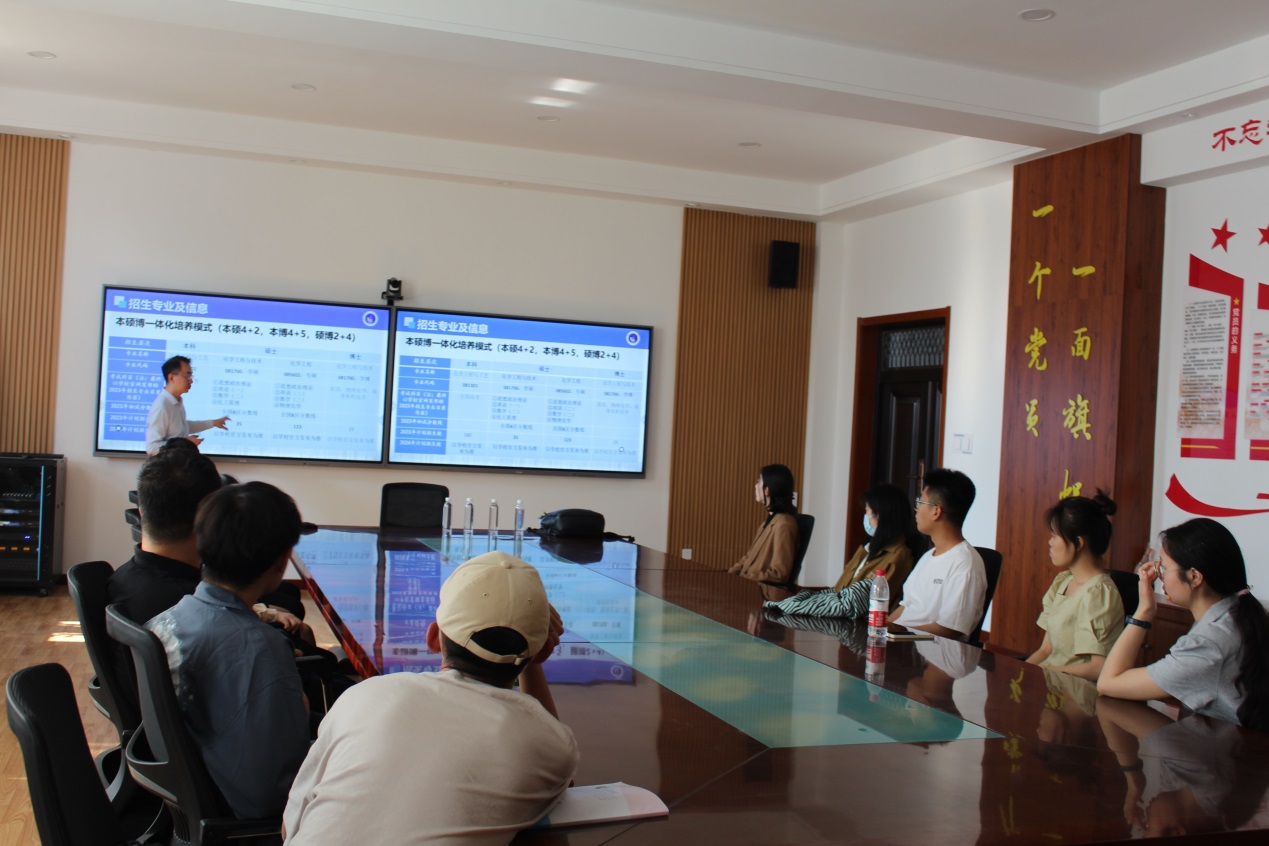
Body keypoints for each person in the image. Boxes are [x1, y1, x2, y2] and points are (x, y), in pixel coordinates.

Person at [282, 551, 579, 845]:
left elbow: (288, 829)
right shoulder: (550, 745)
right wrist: (532, 663)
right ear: (543, 652)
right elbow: (559, 780)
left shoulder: (363, 695)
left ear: (434, 637)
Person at [147, 482, 311, 819]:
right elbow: (275, 794)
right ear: (281, 562)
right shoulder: (262, 650)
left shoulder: (166, 619)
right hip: (248, 820)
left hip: (187, 796)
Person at [1098, 518, 1269, 731]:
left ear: (1194, 576)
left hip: (1228, 749)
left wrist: (1143, 612)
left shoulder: (1208, 643)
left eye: (1163, 567)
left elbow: (1108, 682)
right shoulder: (1236, 612)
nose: (1158, 575)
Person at [763, 483, 922, 617]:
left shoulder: (897, 556)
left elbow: (857, 604)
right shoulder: (867, 548)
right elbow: (838, 590)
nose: (865, 517)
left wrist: (797, 606)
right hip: (838, 617)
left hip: (859, 625)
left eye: (867, 511)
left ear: (881, 516)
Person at [1025, 492, 1124, 680]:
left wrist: (1045, 672)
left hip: (1076, 689)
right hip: (1050, 682)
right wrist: (1020, 672)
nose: (1050, 543)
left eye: (1055, 535)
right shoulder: (1063, 582)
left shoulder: (1099, 592)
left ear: (1078, 543)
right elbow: (1046, 650)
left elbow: (1098, 668)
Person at [888, 468, 986, 642]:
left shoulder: (965, 564)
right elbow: (907, 606)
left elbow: (948, 630)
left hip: (929, 651)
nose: (916, 509)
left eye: (920, 502)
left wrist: (899, 633)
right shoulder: (928, 557)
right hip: (900, 643)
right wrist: (881, 629)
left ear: (936, 511)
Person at [728, 464, 799, 583]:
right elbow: (748, 558)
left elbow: (779, 573)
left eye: (758, 481)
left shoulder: (784, 525)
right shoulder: (768, 522)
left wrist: (744, 578)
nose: (755, 486)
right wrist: (730, 574)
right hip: (747, 584)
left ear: (767, 490)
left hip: (758, 589)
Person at [144, 354, 229, 455]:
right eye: (187, 375)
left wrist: (213, 423)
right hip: (168, 464)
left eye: (191, 376)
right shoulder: (162, 406)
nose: (191, 380)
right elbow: (152, 448)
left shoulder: (177, 401)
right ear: (171, 378)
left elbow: (183, 427)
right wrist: (185, 443)